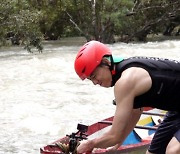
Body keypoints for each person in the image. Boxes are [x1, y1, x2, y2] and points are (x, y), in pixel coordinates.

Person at [74, 40, 180, 154]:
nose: (95, 82)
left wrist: (90, 144)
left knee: (172, 151)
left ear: (106, 62)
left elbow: (114, 135)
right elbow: (135, 112)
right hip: (176, 109)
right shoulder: (124, 71)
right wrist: (119, 142)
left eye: (94, 76)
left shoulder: (125, 82)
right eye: (91, 79)